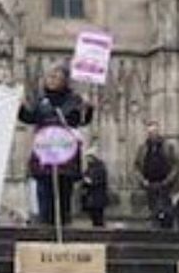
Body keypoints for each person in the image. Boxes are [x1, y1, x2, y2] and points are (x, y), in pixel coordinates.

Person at [18, 64, 93, 227]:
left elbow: (82, 120)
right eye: (49, 77)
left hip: (65, 155)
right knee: (44, 194)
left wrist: (88, 108)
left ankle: (63, 227)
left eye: (56, 77)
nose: (51, 80)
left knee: (64, 195)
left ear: (65, 80)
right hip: (44, 154)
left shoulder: (74, 100)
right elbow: (29, 118)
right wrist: (20, 106)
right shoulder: (41, 101)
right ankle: (45, 227)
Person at [134, 120, 179, 228]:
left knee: (165, 210)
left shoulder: (167, 146)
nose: (152, 135)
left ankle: (166, 228)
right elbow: (137, 166)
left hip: (165, 183)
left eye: (154, 132)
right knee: (152, 209)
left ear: (158, 132)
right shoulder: (143, 148)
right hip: (149, 183)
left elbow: (176, 165)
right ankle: (154, 227)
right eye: (150, 132)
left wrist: (168, 180)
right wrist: (142, 180)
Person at [80, 147, 110, 228]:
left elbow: (101, 180)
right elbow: (85, 176)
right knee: (92, 213)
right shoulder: (90, 167)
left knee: (98, 213)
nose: (87, 159)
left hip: (98, 193)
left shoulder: (100, 167)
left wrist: (91, 181)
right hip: (91, 194)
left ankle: (99, 226)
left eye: (89, 157)